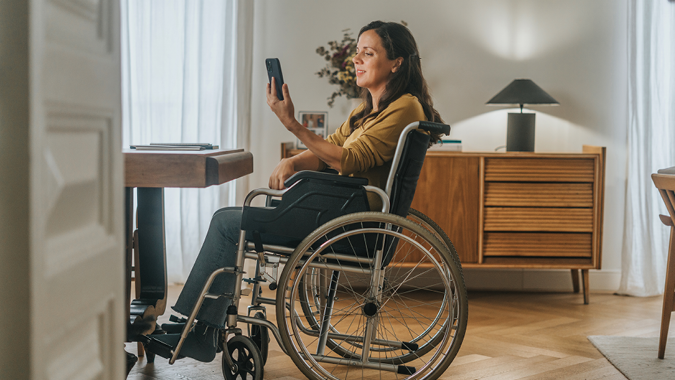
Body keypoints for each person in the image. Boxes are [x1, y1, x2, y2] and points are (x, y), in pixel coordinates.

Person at [151, 20, 444, 363]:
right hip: (339, 214)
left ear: (397, 62)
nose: (357, 59)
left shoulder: (405, 107)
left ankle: (197, 329)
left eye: (369, 52)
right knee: (232, 220)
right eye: (357, 52)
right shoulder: (368, 111)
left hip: (352, 226)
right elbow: (329, 148)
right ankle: (200, 328)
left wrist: (292, 124)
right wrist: (293, 162)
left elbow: (349, 159)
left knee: (229, 223)